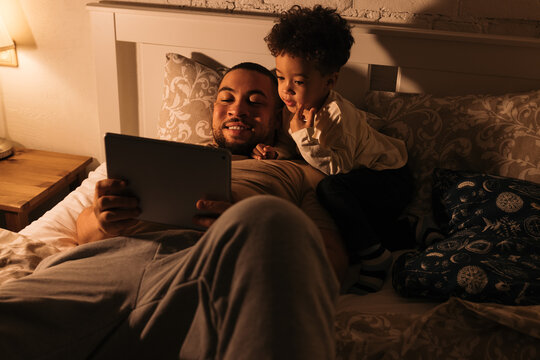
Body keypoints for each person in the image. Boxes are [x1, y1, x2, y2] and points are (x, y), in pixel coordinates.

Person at [0, 62, 346, 359]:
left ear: (276, 118)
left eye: (255, 102)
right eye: (226, 99)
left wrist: (245, 224)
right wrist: (103, 219)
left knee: (272, 218)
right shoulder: (157, 156)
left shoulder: (297, 173)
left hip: (206, 278)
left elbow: (330, 264)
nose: (237, 110)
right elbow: (84, 236)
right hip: (101, 270)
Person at [252, 5, 414, 293]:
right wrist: (277, 152)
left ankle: (376, 259)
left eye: (298, 81)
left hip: (391, 179)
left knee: (330, 190)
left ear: (330, 81)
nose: (286, 90)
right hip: (365, 184)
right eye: (280, 77)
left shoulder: (337, 115)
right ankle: (413, 230)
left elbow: (340, 168)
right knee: (345, 218)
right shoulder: (292, 107)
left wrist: (303, 136)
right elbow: (296, 146)